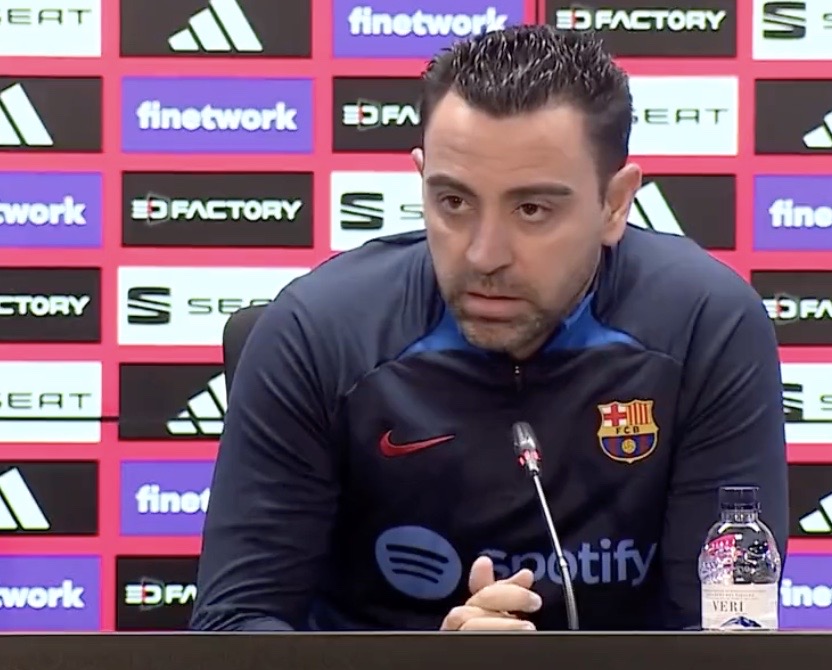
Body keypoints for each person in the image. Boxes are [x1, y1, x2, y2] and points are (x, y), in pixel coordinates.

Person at [190, 24, 788, 632]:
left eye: (532, 209)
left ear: (614, 203)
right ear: (422, 179)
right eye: (453, 202)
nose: (483, 255)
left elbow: (730, 634)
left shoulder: (705, 326)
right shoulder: (317, 333)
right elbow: (235, 626)